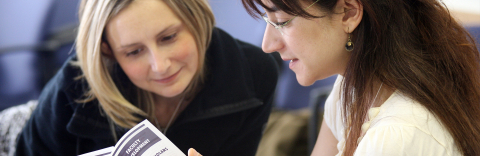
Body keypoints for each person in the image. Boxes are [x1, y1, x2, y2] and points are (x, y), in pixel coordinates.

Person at [201, 0, 480, 155]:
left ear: (349, 12)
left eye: (282, 21)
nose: (268, 44)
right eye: (267, 21)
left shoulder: (397, 136)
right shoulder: (355, 85)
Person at [14, 0, 279, 155]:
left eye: (169, 37)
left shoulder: (254, 74)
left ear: (196, 20)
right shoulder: (74, 85)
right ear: (108, 52)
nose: (160, 66)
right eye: (134, 52)